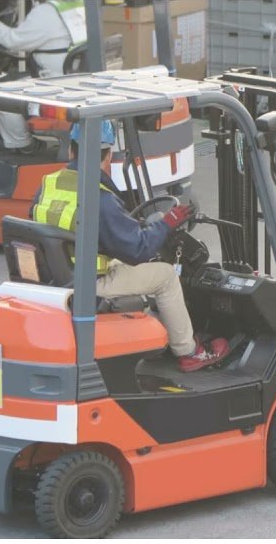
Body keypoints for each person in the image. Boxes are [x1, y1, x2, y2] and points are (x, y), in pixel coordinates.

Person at [30, 121, 229, 372]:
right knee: (166, 275)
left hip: (57, 274)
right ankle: (188, 351)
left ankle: (155, 328)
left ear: (71, 150)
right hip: (87, 284)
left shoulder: (48, 185)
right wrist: (166, 223)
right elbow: (138, 249)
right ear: (108, 157)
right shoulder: (99, 197)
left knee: (128, 263)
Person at [0, 0, 87, 155]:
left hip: (53, 82)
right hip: (73, 79)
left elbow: (12, 41)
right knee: (14, 79)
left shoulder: (46, 12)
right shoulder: (78, 5)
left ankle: (23, 145)